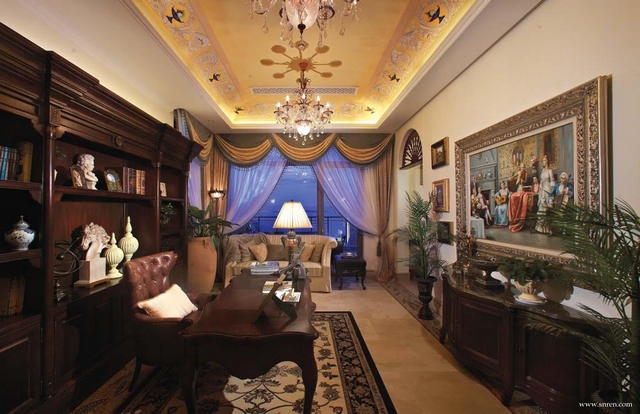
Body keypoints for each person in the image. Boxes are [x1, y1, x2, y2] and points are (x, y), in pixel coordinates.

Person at [534, 154, 555, 234]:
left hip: (548, 190)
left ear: (547, 161)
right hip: (542, 190)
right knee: (541, 206)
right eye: (542, 160)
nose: (543, 162)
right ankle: (540, 228)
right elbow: (541, 181)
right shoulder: (542, 171)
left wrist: (551, 192)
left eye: (544, 160)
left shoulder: (550, 171)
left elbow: (552, 181)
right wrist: (540, 190)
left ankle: (547, 228)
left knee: (546, 208)